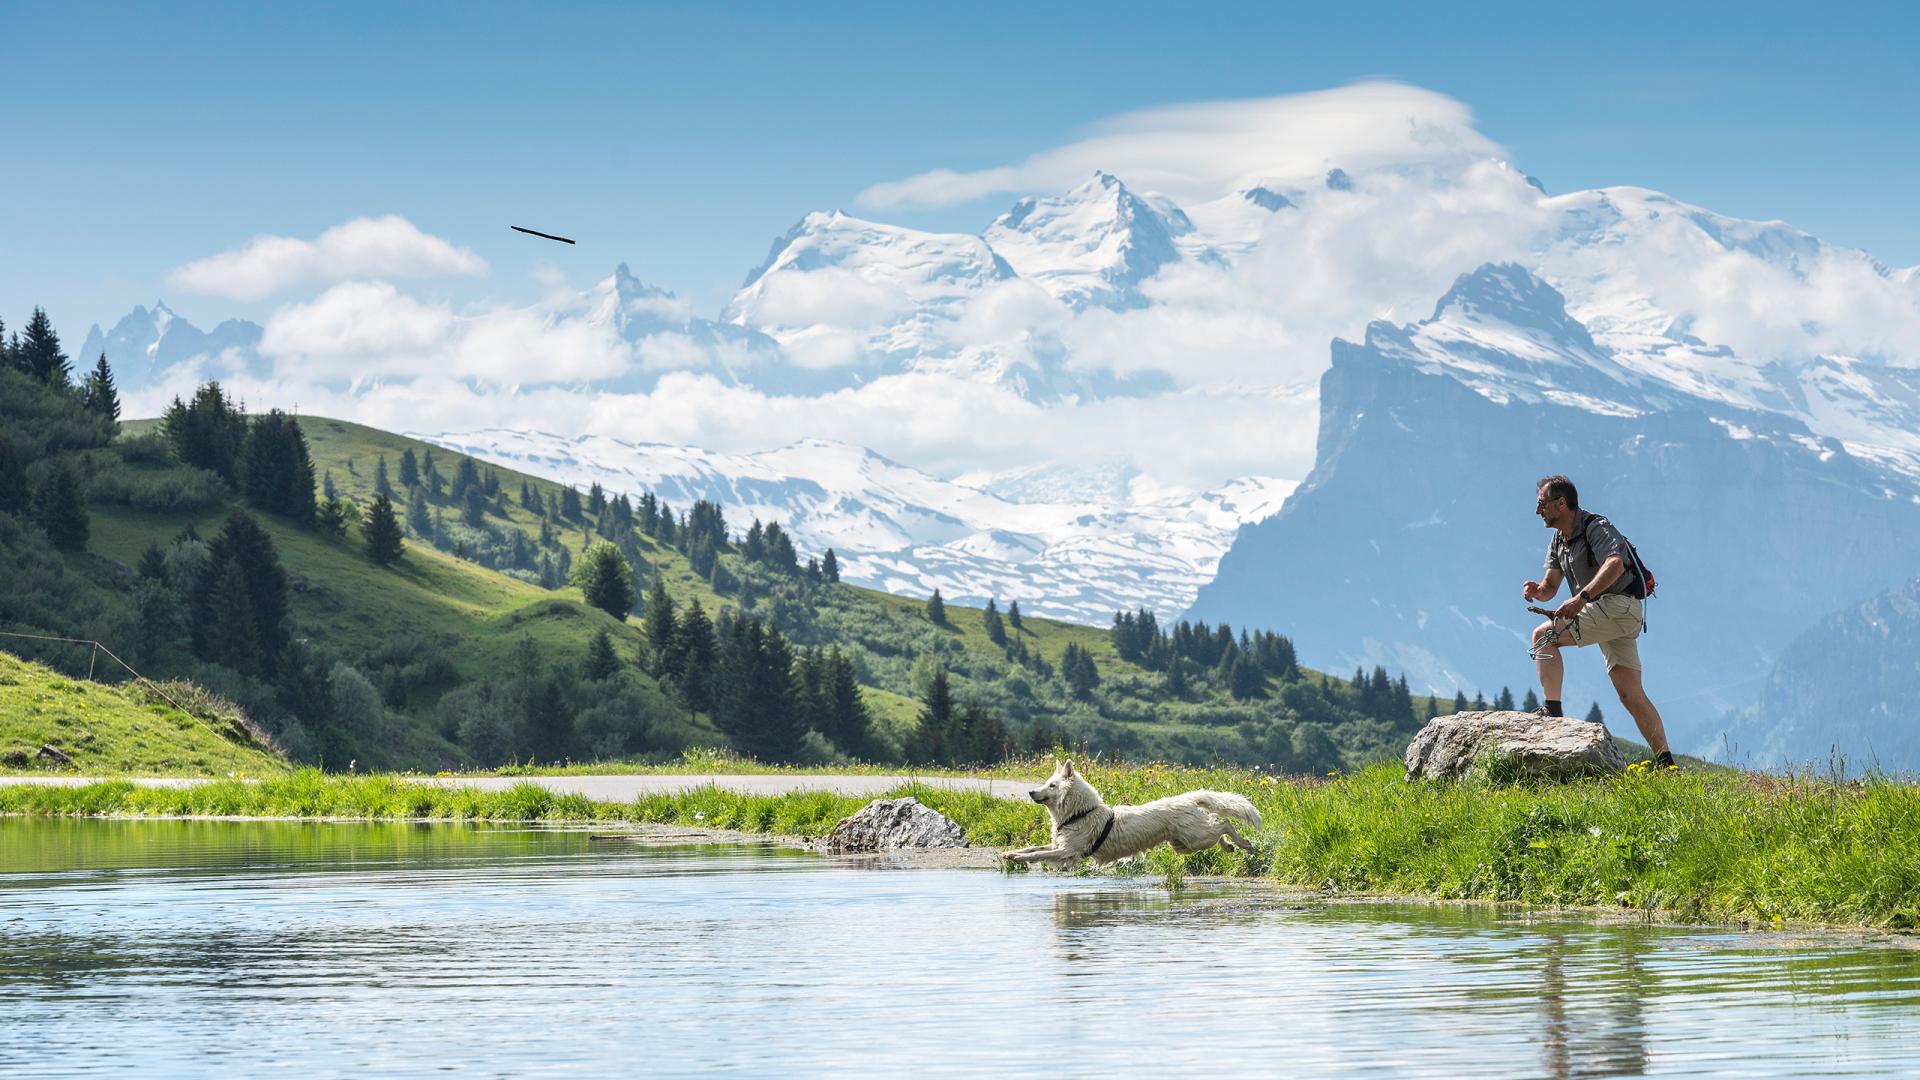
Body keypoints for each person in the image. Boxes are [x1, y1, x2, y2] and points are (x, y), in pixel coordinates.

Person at [1521, 474, 1675, 768]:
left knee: (1544, 637)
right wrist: (1537, 592)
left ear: (1561, 503)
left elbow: (1615, 565)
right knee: (1630, 694)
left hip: (1618, 606)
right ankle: (1666, 763)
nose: (1537, 510)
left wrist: (1582, 598)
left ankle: (1552, 716)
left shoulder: (1596, 527)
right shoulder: (1558, 539)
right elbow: (1550, 586)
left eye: (1542, 503)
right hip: (1613, 613)